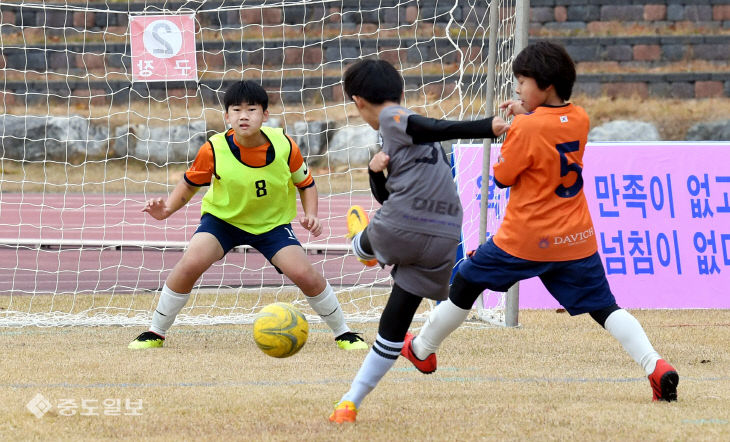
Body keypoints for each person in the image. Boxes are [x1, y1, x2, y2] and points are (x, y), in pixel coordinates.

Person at [401, 41, 679, 403]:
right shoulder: (580, 117)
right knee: (605, 308)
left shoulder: (525, 129)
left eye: (522, 81)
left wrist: (516, 125)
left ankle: (422, 349)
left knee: (466, 281)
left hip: (525, 239)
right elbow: (549, 126)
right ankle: (655, 365)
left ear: (545, 85)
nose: (517, 87)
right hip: (575, 237)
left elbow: (502, 176)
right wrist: (525, 114)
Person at [329, 59, 509, 423]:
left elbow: (440, 126)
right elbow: (386, 193)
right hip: (444, 237)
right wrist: (375, 170)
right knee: (394, 325)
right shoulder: (407, 142)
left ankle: (366, 248)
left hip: (402, 226)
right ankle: (351, 402)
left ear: (358, 101)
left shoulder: (393, 119)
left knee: (361, 244)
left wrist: (489, 126)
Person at [128, 80, 367, 351]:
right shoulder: (213, 149)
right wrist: (168, 208)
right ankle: (155, 332)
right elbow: (189, 183)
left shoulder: (285, 145)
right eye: (236, 110)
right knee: (190, 263)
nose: (244, 116)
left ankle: (344, 333)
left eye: (252, 109)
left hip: (271, 226)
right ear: (226, 116)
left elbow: (306, 183)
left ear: (265, 115)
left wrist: (312, 214)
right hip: (222, 222)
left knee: (305, 274)